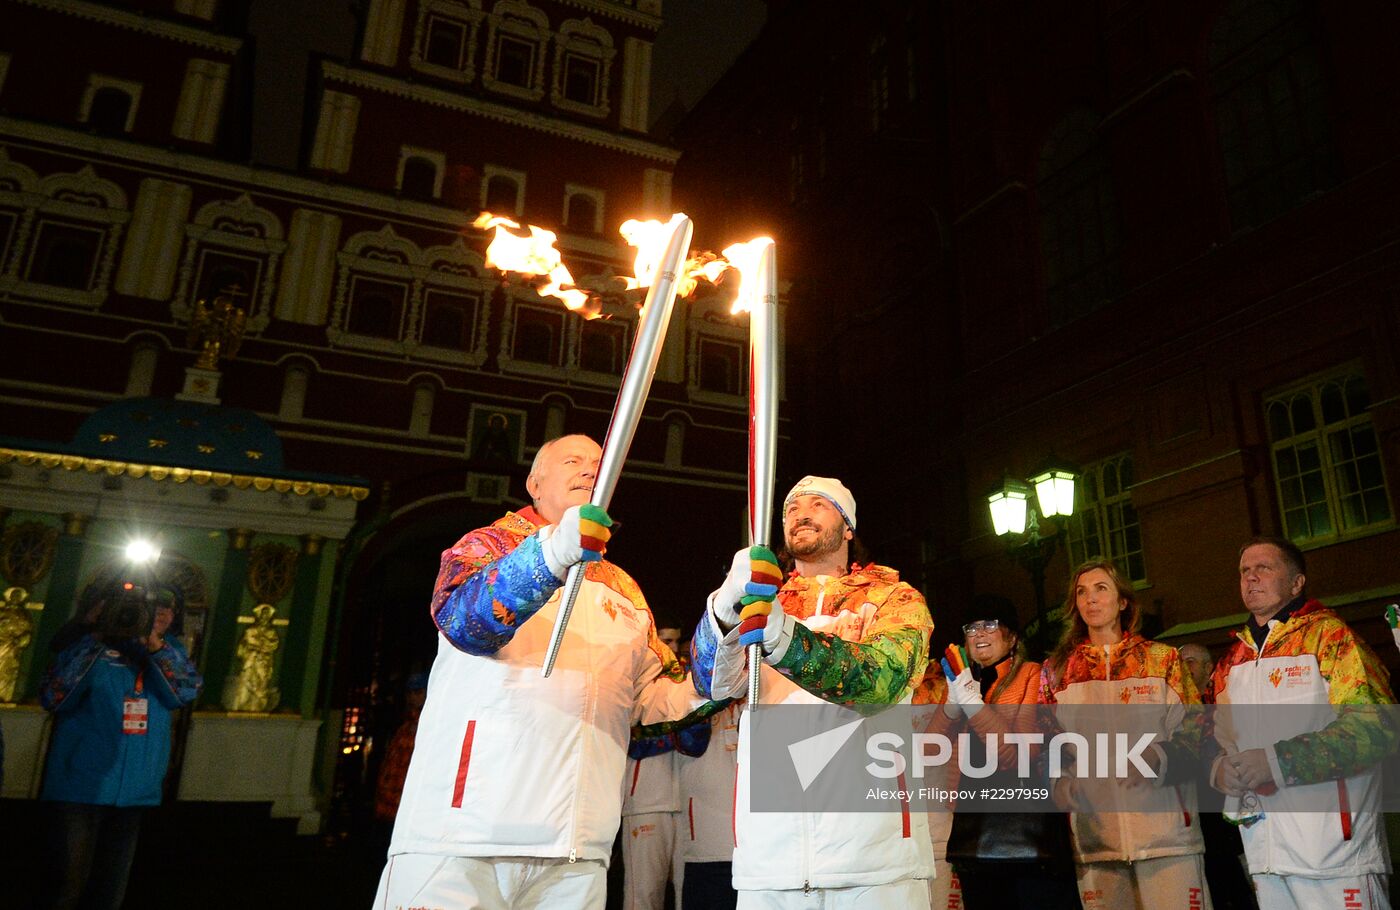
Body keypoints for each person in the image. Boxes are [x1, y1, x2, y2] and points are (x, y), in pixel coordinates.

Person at [374, 434, 724, 910]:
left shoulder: (622, 588)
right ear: (534, 483)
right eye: (573, 461)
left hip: (576, 848)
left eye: (599, 465)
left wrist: (722, 624)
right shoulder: (486, 546)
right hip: (465, 837)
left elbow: (661, 699)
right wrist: (553, 553)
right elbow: (465, 621)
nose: (588, 471)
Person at [691, 475, 935, 908]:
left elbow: (882, 683)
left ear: (849, 526)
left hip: (873, 860)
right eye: (790, 508)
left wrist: (784, 639)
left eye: (818, 505)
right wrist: (724, 611)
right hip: (770, 858)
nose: (800, 513)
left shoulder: (892, 597)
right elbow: (710, 686)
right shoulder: (763, 601)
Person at [1208, 537, 1397, 910]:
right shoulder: (1232, 660)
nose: (1251, 577)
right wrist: (1218, 769)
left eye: (1264, 567)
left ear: (1296, 583)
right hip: (1265, 854)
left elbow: (1376, 728)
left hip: (1333, 853)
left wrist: (1276, 761)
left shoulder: (1331, 638)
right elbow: (1216, 738)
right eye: (1245, 570)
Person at [1040, 559, 1210, 910]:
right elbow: (1045, 745)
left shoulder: (1162, 660)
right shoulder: (1058, 673)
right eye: (1082, 592)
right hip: (1095, 842)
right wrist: (1057, 782)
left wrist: (1158, 756)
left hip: (1166, 839)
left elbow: (1197, 736)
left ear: (1123, 602)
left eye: (1101, 588)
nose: (1091, 599)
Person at [37, 575, 202, 910]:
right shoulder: (86, 645)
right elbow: (54, 698)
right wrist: (95, 634)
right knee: (66, 890)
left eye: (169, 608)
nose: (160, 613)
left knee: (110, 896)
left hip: (135, 792)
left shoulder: (170, 651)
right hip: (80, 786)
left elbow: (184, 694)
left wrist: (155, 647)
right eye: (153, 605)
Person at [937, 596, 1078, 909]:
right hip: (972, 836)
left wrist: (974, 707)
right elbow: (930, 749)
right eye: (971, 628)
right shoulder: (966, 682)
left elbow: (1016, 757)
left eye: (990, 625)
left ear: (1012, 636)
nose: (979, 634)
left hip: (1024, 836)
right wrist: (951, 705)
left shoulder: (1031, 674)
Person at [677, 701, 741, 910]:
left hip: (755, 851)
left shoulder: (764, 691)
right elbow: (689, 742)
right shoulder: (695, 696)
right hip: (707, 849)